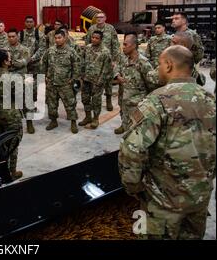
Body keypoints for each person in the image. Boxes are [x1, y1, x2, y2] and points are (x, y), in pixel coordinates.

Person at [119, 45, 216, 240]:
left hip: (162, 203)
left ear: (169, 65)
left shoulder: (156, 101)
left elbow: (132, 150)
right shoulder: (209, 99)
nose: (157, 71)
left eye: (159, 65)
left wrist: (134, 187)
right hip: (199, 199)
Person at [0, 49, 24, 181]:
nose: (11, 59)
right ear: (5, 62)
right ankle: (11, 173)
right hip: (10, 116)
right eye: (9, 58)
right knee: (13, 144)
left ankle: (0, 171)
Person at [114, 34, 153, 134]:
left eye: (125, 44)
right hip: (125, 96)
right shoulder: (125, 59)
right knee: (125, 117)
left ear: (134, 45)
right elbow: (118, 67)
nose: (123, 47)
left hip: (137, 102)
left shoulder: (143, 63)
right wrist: (118, 76)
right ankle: (124, 125)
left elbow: (151, 85)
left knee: (137, 129)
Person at [42, 30, 79, 133]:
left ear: (65, 38)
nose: (57, 40)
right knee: (51, 104)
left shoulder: (71, 51)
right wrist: (45, 75)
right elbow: (44, 63)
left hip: (65, 84)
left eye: (60, 38)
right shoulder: (50, 51)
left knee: (70, 104)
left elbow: (76, 66)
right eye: (56, 38)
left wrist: (73, 79)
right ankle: (53, 121)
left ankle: (73, 123)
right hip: (52, 83)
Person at [85, 12, 120, 112]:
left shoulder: (110, 28)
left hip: (107, 59)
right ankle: (94, 100)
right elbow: (88, 43)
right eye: (97, 17)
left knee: (108, 81)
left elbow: (115, 45)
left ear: (105, 18)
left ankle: (108, 100)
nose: (99, 19)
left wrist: (115, 60)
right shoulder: (91, 29)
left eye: (101, 17)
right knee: (94, 81)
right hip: (94, 59)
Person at [79, 31, 112, 129]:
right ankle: (88, 117)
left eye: (97, 38)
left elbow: (107, 69)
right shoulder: (88, 48)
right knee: (85, 99)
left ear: (101, 39)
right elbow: (82, 61)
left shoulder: (105, 51)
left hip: (97, 81)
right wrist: (81, 74)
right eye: (93, 37)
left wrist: (100, 81)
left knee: (96, 101)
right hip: (86, 79)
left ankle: (95, 119)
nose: (94, 39)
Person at [19, 16, 47, 134]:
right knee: (26, 90)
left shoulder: (39, 34)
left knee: (36, 90)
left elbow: (42, 49)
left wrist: (32, 58)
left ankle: (34, 105)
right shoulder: (20, 34)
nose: (29, 23)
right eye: (27, 22)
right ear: (25, 23)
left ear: (34, 23)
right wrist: (24, 60)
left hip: (36, 67)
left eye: (31, 22)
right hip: (24, 67)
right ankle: (27, 114)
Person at [5, 28, 32, 133]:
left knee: (26, 101)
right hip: (7, 79)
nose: (11, 38)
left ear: (17, 37)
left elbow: (24, 62)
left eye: (13, 36)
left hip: (21, 78)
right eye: (9, 36)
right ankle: (12, 125)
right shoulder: (4, 49)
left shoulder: (24, 49)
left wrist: (10, 63)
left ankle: (29, 123)